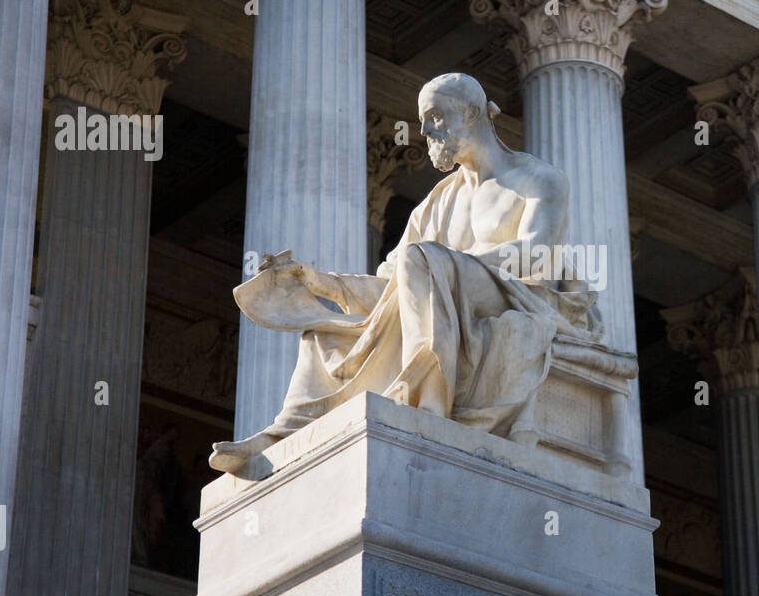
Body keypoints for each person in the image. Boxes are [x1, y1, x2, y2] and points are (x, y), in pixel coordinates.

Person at [209, 72, 602, 473]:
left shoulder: (537, 179)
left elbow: (536, 256)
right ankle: (283, 434)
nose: (425, 130)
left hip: (516, 296)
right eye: (423, 120)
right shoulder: (436, 203)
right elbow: (394, 286)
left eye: (434, 116)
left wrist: (446, 265)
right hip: (445, 286)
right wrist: (320, 281)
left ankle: (426, 405)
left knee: (422, 260)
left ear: (470, 113)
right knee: (322, 329)